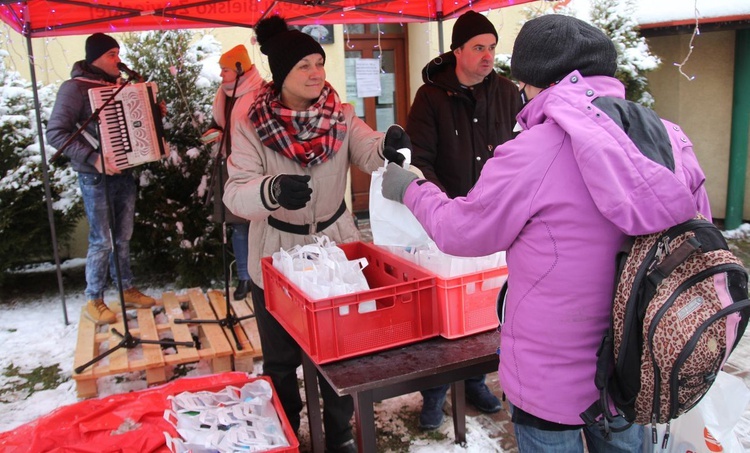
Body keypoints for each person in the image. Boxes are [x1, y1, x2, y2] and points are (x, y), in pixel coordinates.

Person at [381, 15, 711, 452]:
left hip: (548, 377)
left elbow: (460, 231)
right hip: (639, 363)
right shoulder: (669, 138)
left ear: (533, 81)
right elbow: (698, 233)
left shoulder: (533, 151)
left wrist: (412, 188)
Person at [223, 16, 407, 453]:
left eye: (319, 63)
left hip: (333, 246)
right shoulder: (250, 122)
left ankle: (340, 434)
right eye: (304, 65)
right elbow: (235, 191)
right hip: (276, 250)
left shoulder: (340, 115)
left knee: (340, 349)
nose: (316, 73)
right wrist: (270, 191)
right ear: (283, 73)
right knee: (282, 359)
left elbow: (366, 146)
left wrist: (387, 145)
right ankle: (286, 430)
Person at [405, 10, 522, 429]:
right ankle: (434, 393)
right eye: (478, 47)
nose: (488, 55)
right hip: (448, 223)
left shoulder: (509, 92)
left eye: (491, 47)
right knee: (443, 312)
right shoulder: (430, 96)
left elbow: (522, 151)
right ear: (457, 51)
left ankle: (475, 380)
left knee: (485, 308)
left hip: (497, 220)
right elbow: (420, 159)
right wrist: (440, 209)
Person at [47, 33, 157, 325]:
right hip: (95, 177)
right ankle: (94, 298)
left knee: (122, 238)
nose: (118, 60)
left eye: (117, 53)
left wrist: (153, 113)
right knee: (101, 241)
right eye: (111, 54)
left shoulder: (118, 87)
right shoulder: (74, 89)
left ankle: (126, 287)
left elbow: (136, 124)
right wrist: (93, 158)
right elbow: (56, 133)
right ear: (94, 57)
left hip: (124, 171)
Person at [202, 45, 264, 300]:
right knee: (239, 228)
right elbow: (217, 124)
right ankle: (244, 278)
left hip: (258, 167)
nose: (221, 75)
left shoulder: (261, 92)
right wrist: (212, 133)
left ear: (240, 69)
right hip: (230, 165)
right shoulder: (224, 95)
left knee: (262, 225)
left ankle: (264, 275)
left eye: (225, 70)